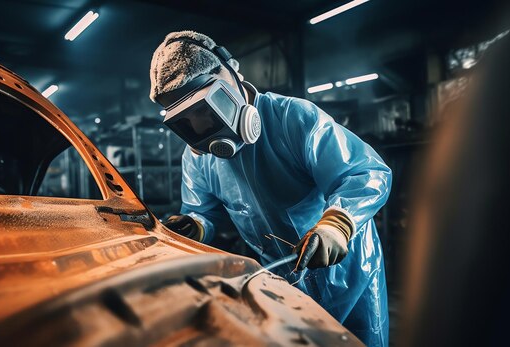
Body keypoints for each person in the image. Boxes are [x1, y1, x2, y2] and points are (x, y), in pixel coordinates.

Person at [149, 30, 392, 346]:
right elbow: (204, 212)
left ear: (232, 74)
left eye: (204, 112)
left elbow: (364, 173)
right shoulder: (198, 157)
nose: (200, 130)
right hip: (280, 281)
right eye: (186, 122)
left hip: (348, 272)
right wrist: (194, 225)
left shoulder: (293, 118)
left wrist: (337, 225)